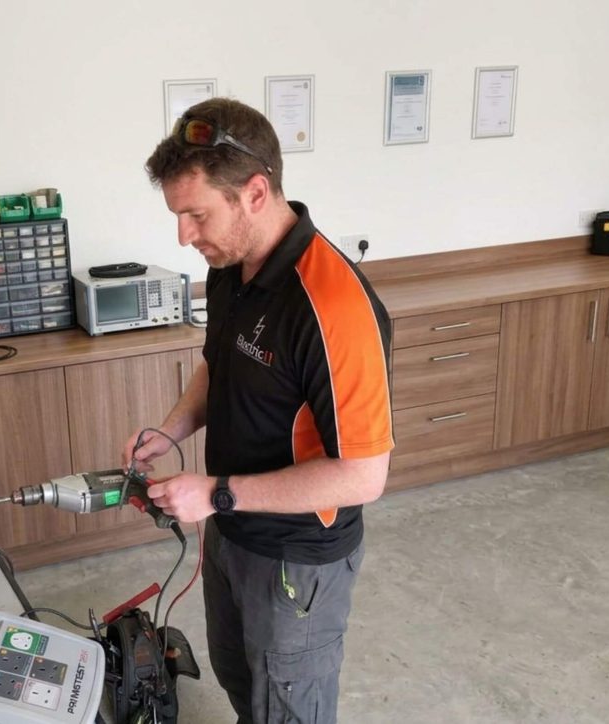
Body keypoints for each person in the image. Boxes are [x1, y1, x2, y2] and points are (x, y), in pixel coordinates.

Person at [122, 97, 394, 724]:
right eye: (178, 215)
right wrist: (171, 429)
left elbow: (363, 476)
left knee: (289, 709)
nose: (183, 235)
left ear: (255, 192)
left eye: (196, 214)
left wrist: (214, 493)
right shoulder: (231, 265)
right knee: (244, 686)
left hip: (298, 560)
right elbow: (222, 363)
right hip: (232, 532)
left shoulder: (334, 307)